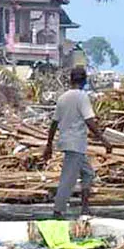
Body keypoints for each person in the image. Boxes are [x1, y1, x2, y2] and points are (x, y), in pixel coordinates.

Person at [44, 65, 111, 218]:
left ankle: (85, 209)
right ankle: (58, 211)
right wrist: (104, 141)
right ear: (84, 80)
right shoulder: (82, 96)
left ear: (71, 79)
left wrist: (49, 145)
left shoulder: (63, 98)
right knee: (68, 178)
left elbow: (54, 124)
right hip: (76, 144)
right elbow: (89, 121)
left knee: (88, 174)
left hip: (70, 143)